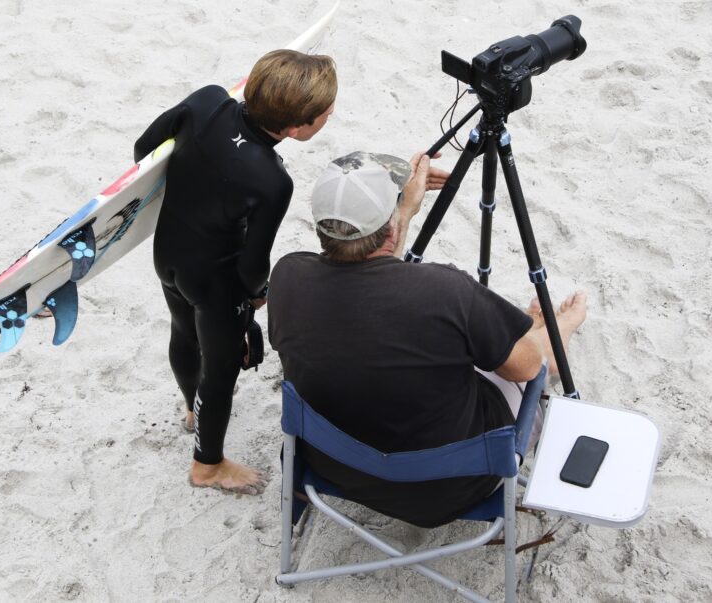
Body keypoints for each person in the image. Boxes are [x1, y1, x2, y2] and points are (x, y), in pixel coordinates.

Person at [267, 151, 587, 526]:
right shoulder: (445, 290)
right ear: (391, 231)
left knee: (432, 345)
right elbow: (528, 369)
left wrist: (401, 214)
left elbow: (374, 292)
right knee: (533, 359)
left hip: (334, 465)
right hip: (447, 489)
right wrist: (536, 337)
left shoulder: (287, 276)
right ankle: (556, 329)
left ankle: (524, 328)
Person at [133, 50, 338, 495]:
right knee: (221, 368)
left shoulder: (208, 100)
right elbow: (252, 263)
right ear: (297, 129)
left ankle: (193, 411)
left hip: (168, 253)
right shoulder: (272, 180)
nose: (330, 114)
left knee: (182, 332)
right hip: (213, 279)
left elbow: (143, 152)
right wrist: (257, 294)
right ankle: (207, 466)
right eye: (325, 112)